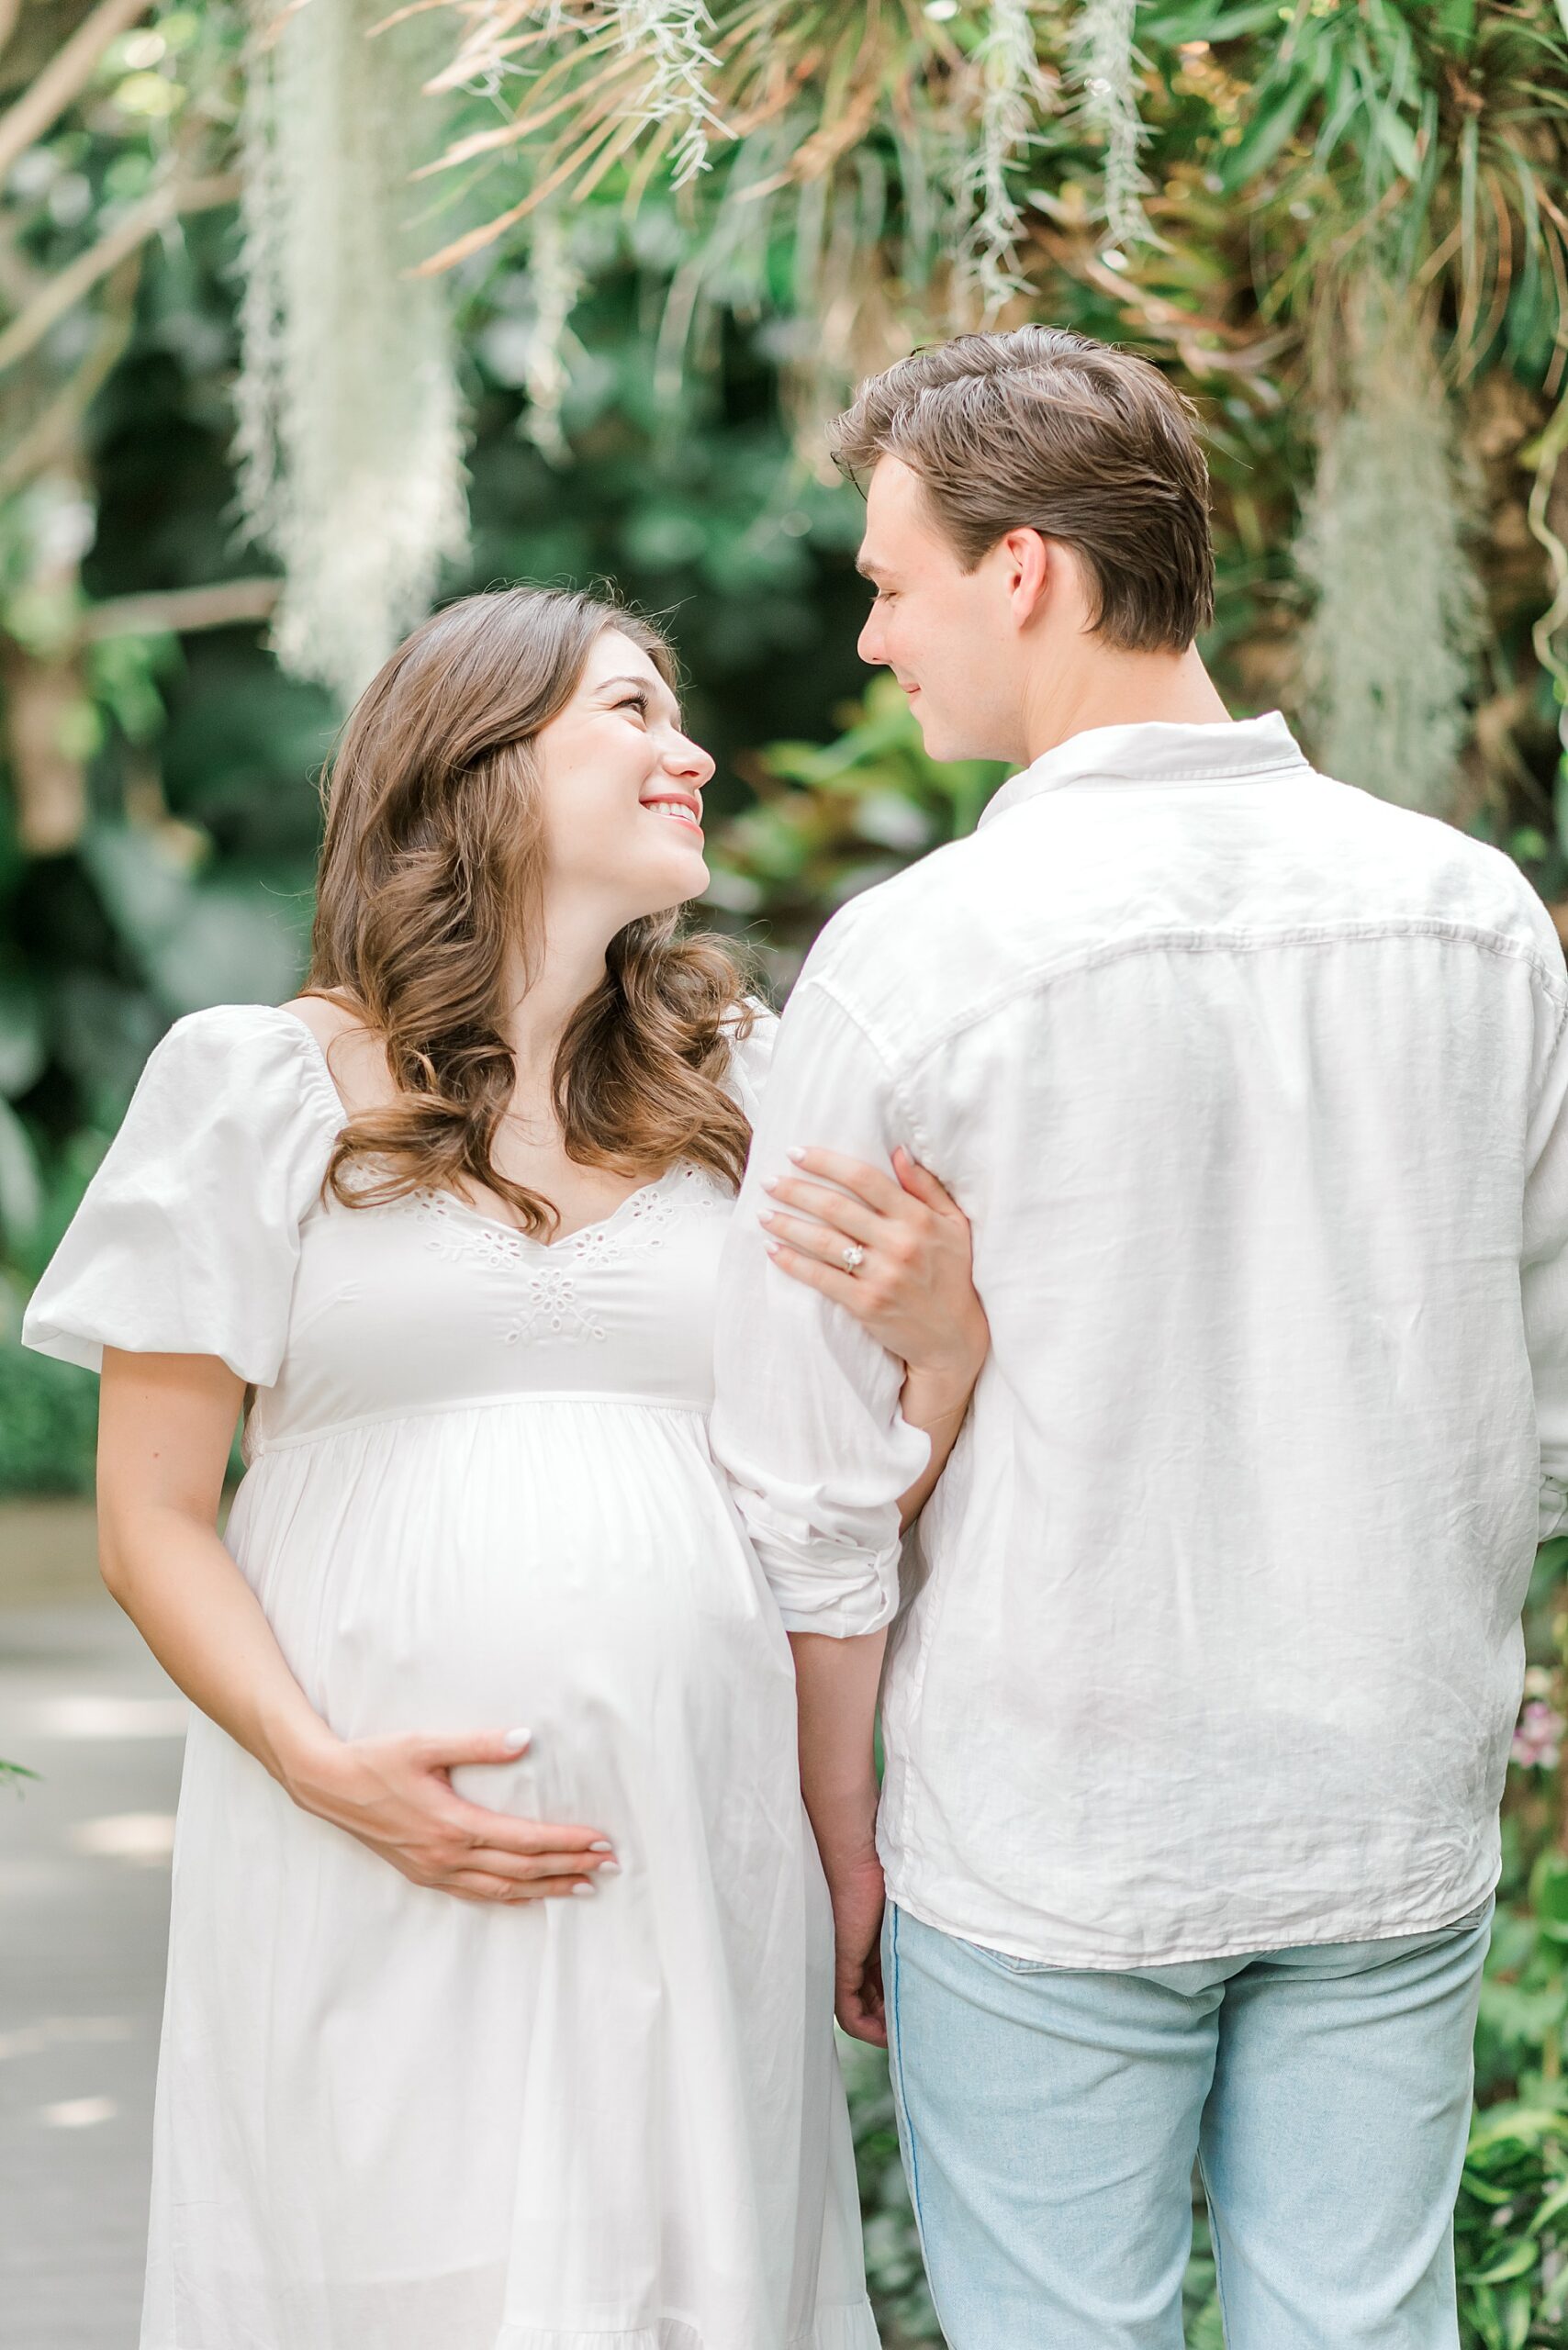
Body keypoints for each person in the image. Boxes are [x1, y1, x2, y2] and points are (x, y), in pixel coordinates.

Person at [711, 325, 1568, 2350]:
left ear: (1022, 572)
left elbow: (802, 1474)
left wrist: (843, 1828)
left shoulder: (915, 960)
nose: (869, 640)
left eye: (886, 582)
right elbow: (1536, 1408)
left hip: (1045, 1812)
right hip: (1382, 1787)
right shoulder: (1473, 916)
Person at [21, 586, 990, 2350]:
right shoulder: (251, 1087)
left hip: (695, 1836)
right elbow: (151, 1520)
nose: (689, 752)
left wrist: (946, 1357)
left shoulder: (748, 1088)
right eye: (633, 709)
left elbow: (822, 1503)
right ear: (477, 758)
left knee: (677, 2278)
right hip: (365, 1832)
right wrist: (324, 1769)